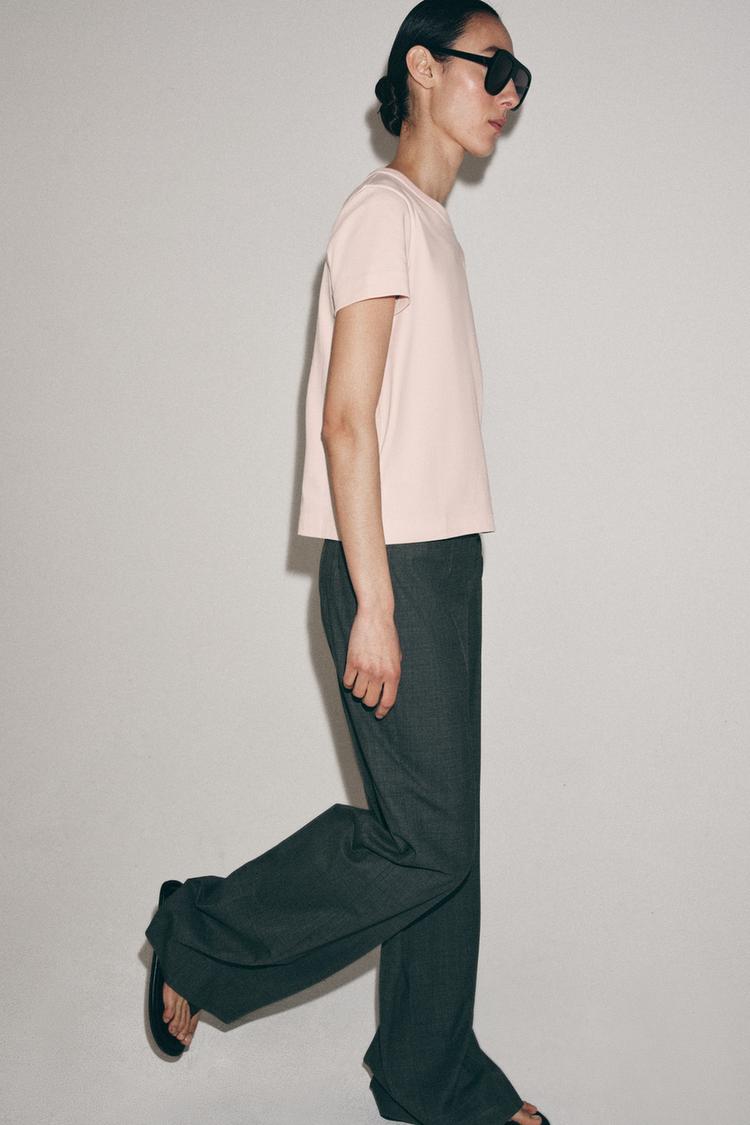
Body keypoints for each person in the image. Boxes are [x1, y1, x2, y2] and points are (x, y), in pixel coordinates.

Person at [144, 3, 550, 1123]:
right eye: (494, 67)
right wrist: (375, 600)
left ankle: (429, 1075)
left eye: (523, 77)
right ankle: (199, 935)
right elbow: (345, 420)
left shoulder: (430, 226)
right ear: (422, 67)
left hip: (442, 560)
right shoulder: (382, 214)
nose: (512, 92)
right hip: (395, 567)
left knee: (446, 848)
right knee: (425, 842)